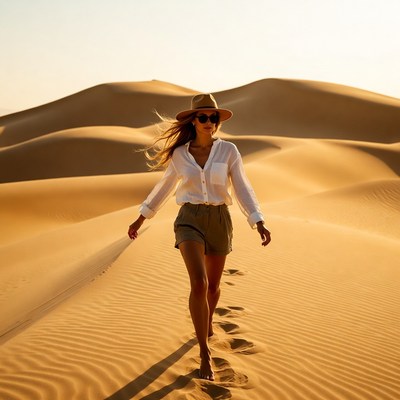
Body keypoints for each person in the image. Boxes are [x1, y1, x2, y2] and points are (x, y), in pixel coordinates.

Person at [128, 93, 271, 381]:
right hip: (189, 220)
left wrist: (258, 220)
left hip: (220, 219)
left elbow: (243, 187)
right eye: (203, 117)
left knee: (214, 288)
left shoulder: (228, 151)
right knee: (199, 282)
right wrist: (142, 216)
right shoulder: (180, 155)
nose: (209, 122)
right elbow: (164, 186)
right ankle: (204, 353)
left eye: (213, 117)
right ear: (193, 121)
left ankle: (206, 324)